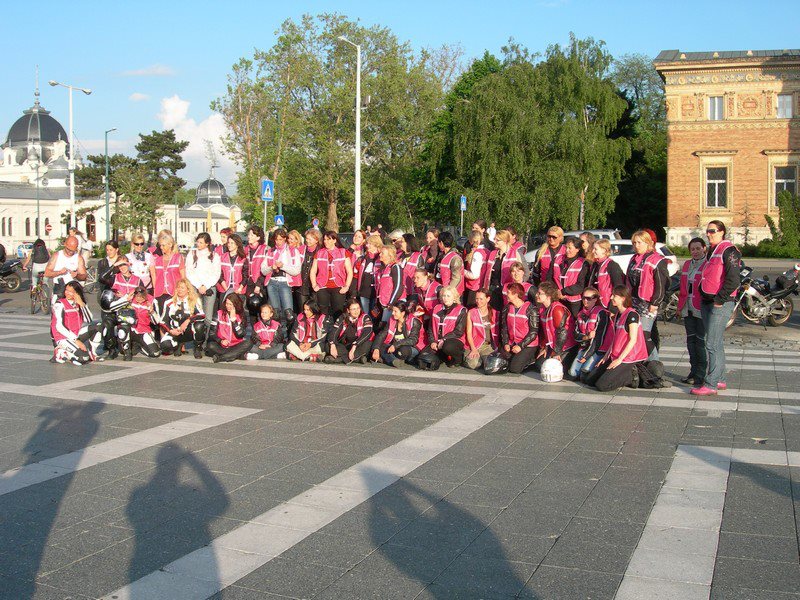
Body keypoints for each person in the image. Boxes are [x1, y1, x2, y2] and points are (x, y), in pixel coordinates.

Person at [692, 221, 741, 396]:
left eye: (713, 231)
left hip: (720, 302)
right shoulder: (712, 250)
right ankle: (720, 379)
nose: (709, 233)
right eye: (707, 231)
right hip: (707, 301)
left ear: (722, 232)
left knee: (711, 343)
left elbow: (734, 278)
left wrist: (720, 300)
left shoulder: (729, 250)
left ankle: (711, 384)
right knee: (717, 343)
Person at [584, 286, 648, 392]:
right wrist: (606, 357)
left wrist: (620, 360)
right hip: (616, 354)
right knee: (590, 380)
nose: (611, 298)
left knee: (602, 386)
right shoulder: (618, 315)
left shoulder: (632, 315)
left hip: (629, 357)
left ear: (623, 298)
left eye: (615, 296)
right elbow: (616, 338)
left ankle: (631, 377)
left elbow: (633, 339)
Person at [625, 229, 668, 359]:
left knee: (644, 334)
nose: (636, 245)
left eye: (639, 242)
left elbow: (661, 283)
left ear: (647, 243)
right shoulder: (634, 258)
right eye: (634, 243)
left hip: (648, 302)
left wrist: (655, 303)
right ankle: (642, 362)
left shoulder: (657, 260)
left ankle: (654, 364)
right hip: (634, 300)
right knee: (635, 333)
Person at [50, 281, 103, 365]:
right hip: (64, 337)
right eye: (66, 290)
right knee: (83, 358)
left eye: (71, 291)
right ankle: (61, 352)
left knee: (99, 326)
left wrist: (82, 304)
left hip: (77, 334)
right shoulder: (59, 304)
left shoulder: (79, 303)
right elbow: (59, 327)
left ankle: (92, 353)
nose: (67, 293)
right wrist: (76, 340)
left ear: (77, 293)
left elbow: (89, 320)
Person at [678, 237, 707, 386]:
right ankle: (693, 371)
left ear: (704, 248)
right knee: (690, 341)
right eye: (692, 249)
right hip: (687, 306)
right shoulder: (687, 264)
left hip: (701, 308)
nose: (695, 251)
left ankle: (701, 374)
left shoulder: (708, 264)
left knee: (700, 342)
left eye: (698, 248)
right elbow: (683, 286)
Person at [568, 287, 612, 381]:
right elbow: (576, 335)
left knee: (585, 371)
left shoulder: (601, 313)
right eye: (583, 298)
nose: (585, 300)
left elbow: (599, 339)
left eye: (588, 298)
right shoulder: (580, 314)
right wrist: (586, 337)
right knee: (573, 373)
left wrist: (586, 356)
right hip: (584, 347)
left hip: (598, 349)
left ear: (595, 299)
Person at [534, 281, 578, 371]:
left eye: (540, 293)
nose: (536, 295)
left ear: (549, 296)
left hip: (565, 346)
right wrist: (545, 346)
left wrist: (556, 352)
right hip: (553, 345)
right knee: (539, 365)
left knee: (553, 369)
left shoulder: (557, 309)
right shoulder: (543, 308)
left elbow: (562, 332)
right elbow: (546, 331)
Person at [420, 285, 466, 368]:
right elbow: (430, 328)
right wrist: (432, 341)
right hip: (437, 341)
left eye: (448, 296)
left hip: (454, 340)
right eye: (444, 296)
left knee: (447, 347)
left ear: (454, 297)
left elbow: (459, 331)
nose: (445, 298)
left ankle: (458, 359)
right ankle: (443, 357)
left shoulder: (461, 310)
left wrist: (443, 340)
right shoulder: (436, 308)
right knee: (423, 356)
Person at [310, 231, 353, 320]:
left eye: (328, 239)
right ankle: (323, 330)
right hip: (322, 286)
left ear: (334, 240)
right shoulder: (319, 253)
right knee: (323, 312)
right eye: (324, 239)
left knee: (338, 312)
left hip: (338, 286)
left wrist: (346, 286)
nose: (326, 241)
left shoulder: (343, 252)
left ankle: (336, 331)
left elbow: (349, 272)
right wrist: (314, 284)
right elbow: (313, 270)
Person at [159, 278, 206, 358]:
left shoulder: (195, 300)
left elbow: (202, 315)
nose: (179, 290)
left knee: (200, 325)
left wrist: (188, 320)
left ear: (188, 290)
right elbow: (163, 321)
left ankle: (197, 348)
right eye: (178, 287)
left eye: (182, 288)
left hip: (189, 331)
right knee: (165, 346)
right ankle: (178, 345)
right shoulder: (169, 301)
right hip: (175, 331)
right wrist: (171, 331)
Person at [186, 232, 222, 336]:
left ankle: (205, 340)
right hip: (195, 287)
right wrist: (199, 285)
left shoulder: (214, 256)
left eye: (201, 242)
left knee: (208, 317)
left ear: (207, 244)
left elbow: (216, 273)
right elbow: (189, 271)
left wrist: (206, 286)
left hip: (209, 288)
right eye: (197, 242)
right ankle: (196, 340)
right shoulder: (192, 254)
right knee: (195, 314)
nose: (198, 244)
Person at [500, 283, 539, 374]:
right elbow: (504, 327)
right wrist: (505, 343)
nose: (506, 294)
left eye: (508, 293)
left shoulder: (531, 309)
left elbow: (533, 332)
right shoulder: (507, 308)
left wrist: (520, 346)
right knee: (502, 361)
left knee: (514, 369)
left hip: (527, 344)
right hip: (512, 342)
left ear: (516, 294)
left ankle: (530, 360)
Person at [266, 228, 302, 327]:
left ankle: (290, 335)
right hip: (272, 282)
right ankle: (277, 335)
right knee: (275, 313)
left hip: (285, 282)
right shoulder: (270, 251)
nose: (278, 242)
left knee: (289, 314)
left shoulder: (293, 251)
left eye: (281, 239)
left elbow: (296, 271)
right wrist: (271, 268)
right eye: (276, 240)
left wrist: (283, 266)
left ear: (285, 239)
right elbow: (263, 269)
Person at [371, 300, 423, 367]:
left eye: (395, 311)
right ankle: (393, 360)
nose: (392, 313)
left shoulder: (414, 321)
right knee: (380, 345)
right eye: (393, 311)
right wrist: (376, 349)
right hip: (396, 347)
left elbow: (413, 340)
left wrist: (395, 345)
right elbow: (382, 334)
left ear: (403, 313)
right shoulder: (392, 320)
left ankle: (386, 359)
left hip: (413, 348)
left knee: (403, 350)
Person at [205, 293, 253, 363]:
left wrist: (234, 321)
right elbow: (211, 333)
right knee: (211, 346)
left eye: (230, 304)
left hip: (235, 345)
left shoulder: (241, 316)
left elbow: (241, 335)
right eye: (227, 303)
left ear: (236, 304)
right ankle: (236, 355)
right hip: (221, 345)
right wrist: (220, 341)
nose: (228, 306)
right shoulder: (218, 314)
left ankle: (221, 357)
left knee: (248, 343)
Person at [326, 299, 374, 364]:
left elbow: (367, 333)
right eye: (353, 309)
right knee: (327, 345)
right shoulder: (343, 317)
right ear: (348, 310)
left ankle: (339, 359)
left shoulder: (365, 317)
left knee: (367, 344)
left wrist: (355, 345)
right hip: (346, 346)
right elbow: (334, 331)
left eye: (358, 308)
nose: (356, 311)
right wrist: (332, 345)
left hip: (359, 344)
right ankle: (358, 358)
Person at [150, 232, 185, 317]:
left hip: (174, 293)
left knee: (173, 318)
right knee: (161, 320)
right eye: (160, 245)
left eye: (163, 245)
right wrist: (155, 290)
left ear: (170, 244)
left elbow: (183, 277)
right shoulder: (157, 260)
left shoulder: (178, 258)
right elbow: (154, 276)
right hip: (160, 293)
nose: (161, 248)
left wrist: (183, 292)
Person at [554, 236, 590, 318]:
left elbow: (581, 285)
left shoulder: (583, 263)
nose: (567, 250)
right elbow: (552, 277)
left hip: (574, 302)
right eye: (566, 247)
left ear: (577, 249)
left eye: (570, 248)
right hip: (559, 298)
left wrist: (563, 291)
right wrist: (557, 292)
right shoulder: (560, 260)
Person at [44, 236, 87, 302]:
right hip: (59, 289)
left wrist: (76, 275)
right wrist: (59, 272)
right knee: (58, 310)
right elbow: (47, 273)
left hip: (72, 290)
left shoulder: (78, 258)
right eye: (69, 249)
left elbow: (83, 276)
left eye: (73, 251)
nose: (70, 252)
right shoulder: (56, 256)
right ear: (65, 244)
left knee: (73, 311)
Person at [123, 286, 161, 360]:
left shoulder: (152, 301)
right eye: (137, 296)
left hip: (144, 330)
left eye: (142, 296)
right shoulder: (130, 300)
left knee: (154, 353)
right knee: (123, 350)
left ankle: (141, 346)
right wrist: (126, 299)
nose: (139, 298)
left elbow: (157, 321)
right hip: (131, 329)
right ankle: (133, 345)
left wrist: (152, 312)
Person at [464, 289, 499, 370]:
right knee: (474, 365)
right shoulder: (471, 312)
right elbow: (468, 333)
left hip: (487, 346)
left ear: (488, 299)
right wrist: (473, 349)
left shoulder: (495, 313)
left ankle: (482, 358)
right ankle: (468, 356)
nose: (478, 301)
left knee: (491, 364)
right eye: (477, 298)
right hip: (474, 345)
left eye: (481, 299)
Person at [484, 230, 518, 310]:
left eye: (497, 240)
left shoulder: (514, 253)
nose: (495, 241)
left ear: (505, 241)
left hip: (506, 290)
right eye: (494, 239)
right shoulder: (493, 253)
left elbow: (523, 271)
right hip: (492, 288)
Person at [588, 239, 624, 309]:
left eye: (596, 249)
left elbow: (618, 286)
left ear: (604, 250)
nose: (593, 251)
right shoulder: (595, 264)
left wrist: (613, 306)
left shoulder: (612, 265)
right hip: (596, 302)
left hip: (607, 303)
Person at [216, 234, 249, 308]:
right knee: (223, 311)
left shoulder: (243, 258)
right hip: (224, 289)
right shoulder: (222, 257)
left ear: (237, 244)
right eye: (228, 243)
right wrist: (226, 288)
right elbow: (219, 274)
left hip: (238, 290)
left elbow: (245, 275)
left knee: (238, 312)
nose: (229, 245)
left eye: (232, 243)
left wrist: (239, 288)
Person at [375, 245, 405, 323]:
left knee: (386, 326)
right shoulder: (384, 268)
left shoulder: (395, 267)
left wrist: (391, 303)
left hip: (394, 304)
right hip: (385, 304)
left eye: (382, 253)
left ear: (389, 255)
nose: (380, 254)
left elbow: (398, 286)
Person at [354, 234, 382, 317]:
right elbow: (356, 272)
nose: (367, 245)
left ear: (376, 244)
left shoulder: (381, 257)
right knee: (366, 314)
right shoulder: (363, 258)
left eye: (369, 243)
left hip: (376, 292)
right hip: (363, 291)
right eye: (367, 243)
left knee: (375, 315)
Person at [296, 229, 321, 313]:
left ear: (316, 240)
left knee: (314, 308)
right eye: (306, 238)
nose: (307, 241)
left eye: (310, 239)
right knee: (303, 309)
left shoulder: (321, 251)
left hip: (315, 284)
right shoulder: (301, 249)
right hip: (302, 283)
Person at [463, 230, 489, 308]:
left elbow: (474, 275)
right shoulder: (487, 251)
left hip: (474, 287)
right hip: (482, 285)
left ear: (471, 241)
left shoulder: (477, 254)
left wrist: (462, 271)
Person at [436, 232, 465, 297]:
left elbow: (456, 278)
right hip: (444, 291)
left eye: (438, 242)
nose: (437, 244)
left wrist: (448, 292)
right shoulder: (443, 255)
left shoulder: (454, 258)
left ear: (441, 243)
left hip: (453, 294)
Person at [245, 225, 268, 298]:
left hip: (260, 283)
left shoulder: (265, 249)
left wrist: (259, 285)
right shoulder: (245, 249)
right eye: (249, 234)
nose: (249, 236)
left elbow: (266, 269)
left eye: (252, 235)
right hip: (248, 283)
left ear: (258, 237)